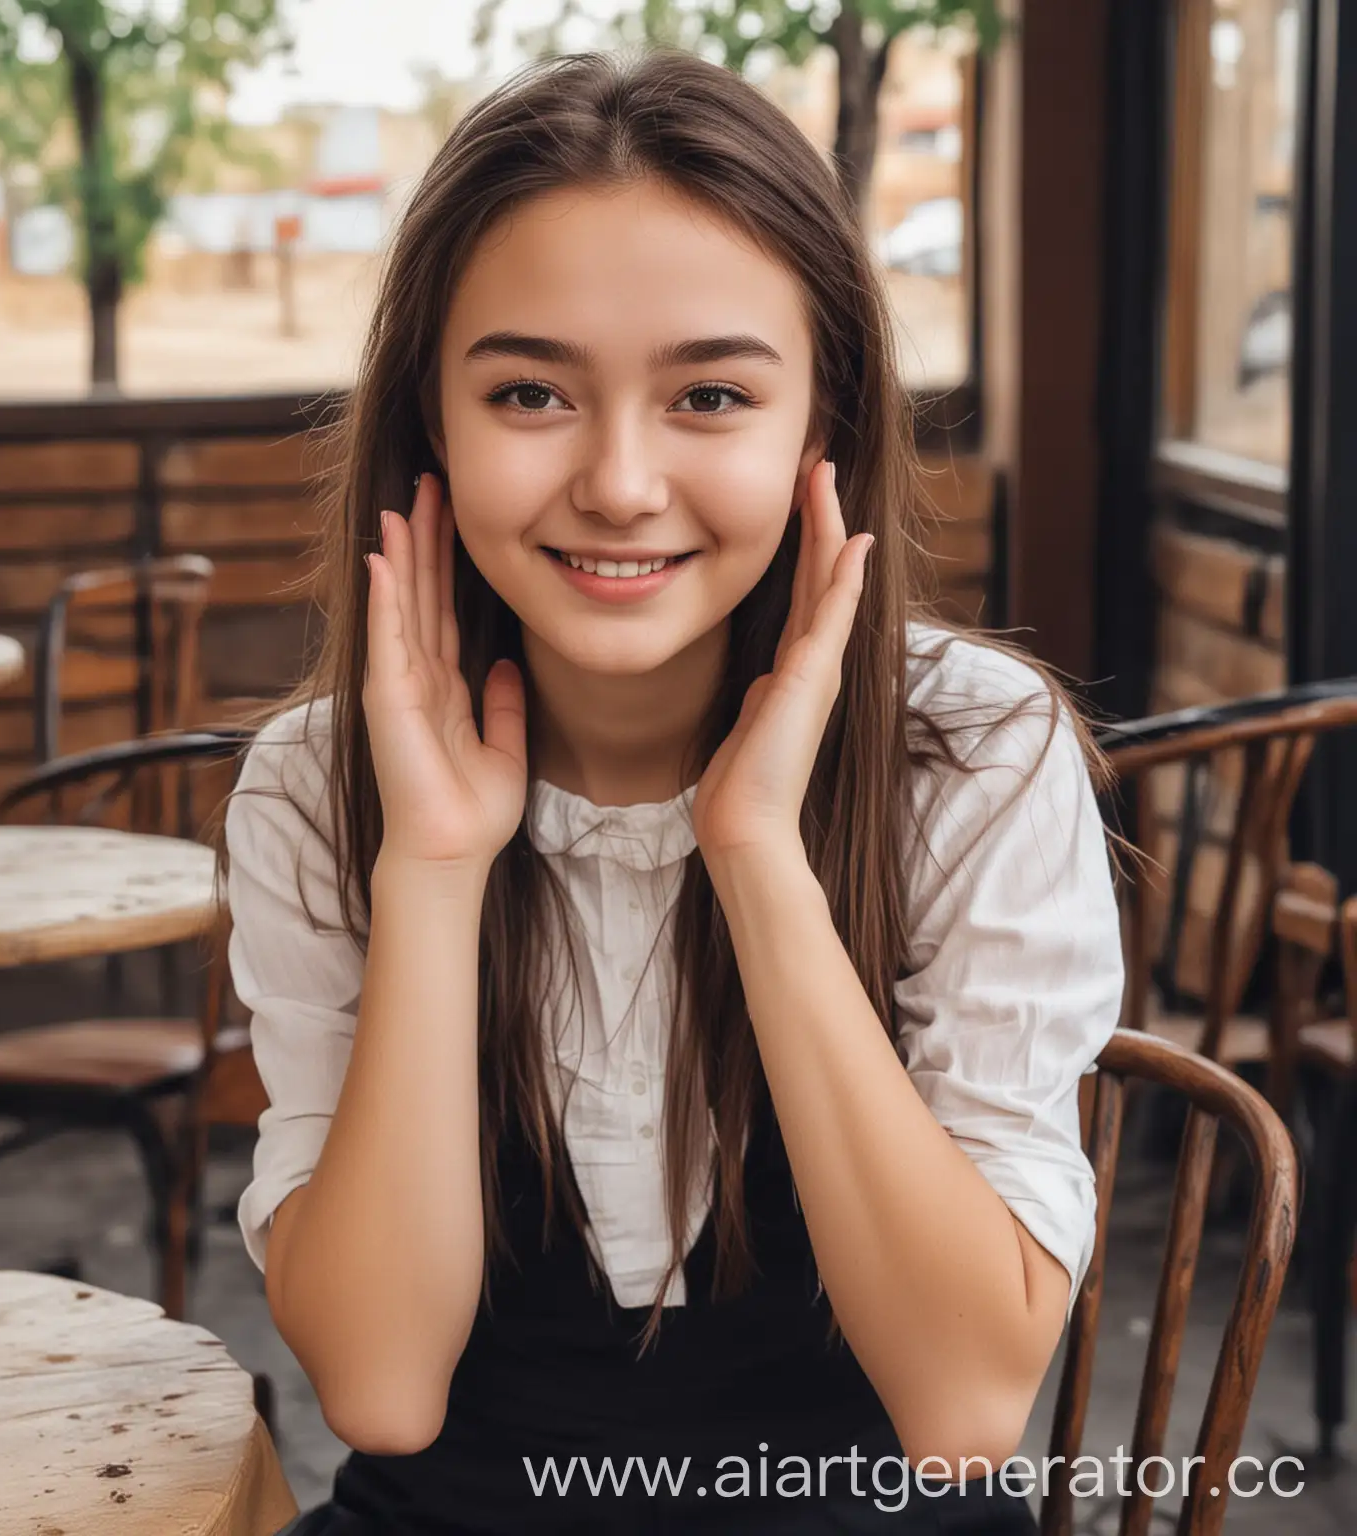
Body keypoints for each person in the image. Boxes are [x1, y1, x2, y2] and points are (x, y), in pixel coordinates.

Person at [224, 48, 1124, 1536]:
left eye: (710, 394)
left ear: (817, 430)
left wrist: (761, 857)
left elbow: (965, 1408)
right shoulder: (320, 786)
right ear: (432, 426)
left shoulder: (973, 752)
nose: (623, 482)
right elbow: (382, 1391)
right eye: (530, 392)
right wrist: (435, 874)